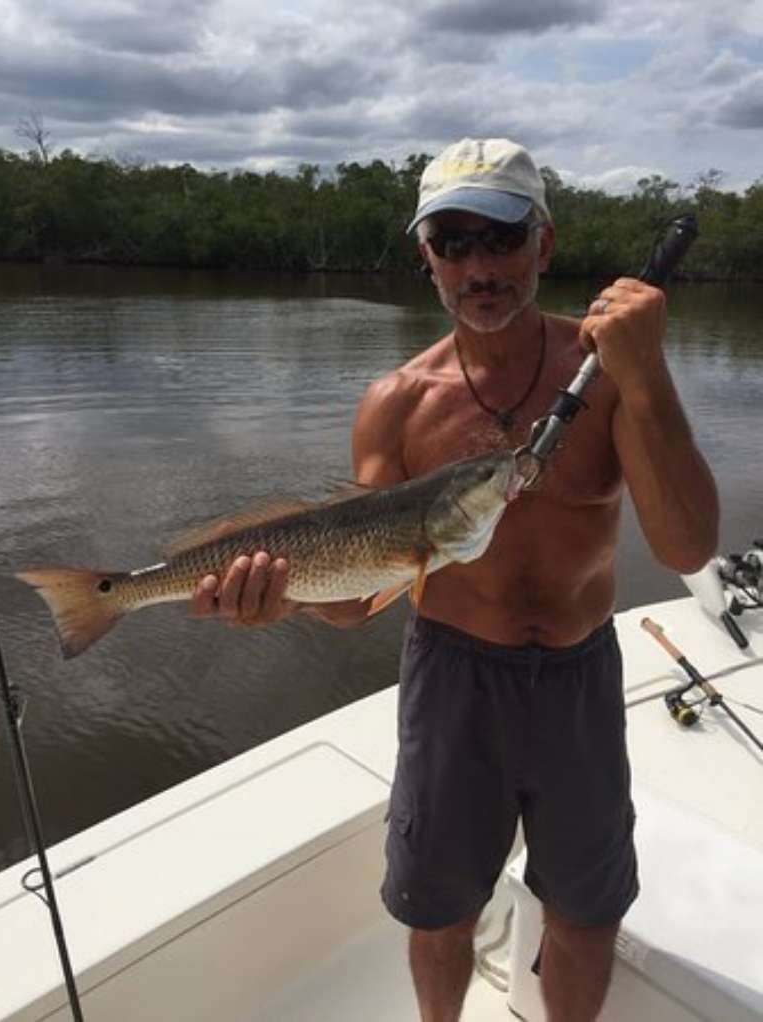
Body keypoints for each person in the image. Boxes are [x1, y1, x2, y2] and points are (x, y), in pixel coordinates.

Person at [191, 138, 719, 1022]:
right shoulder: (396, 402)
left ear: (543, 245)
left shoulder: (615, 371)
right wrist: (279, 599)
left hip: (579, 679)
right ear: (426, 260)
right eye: (454, 243)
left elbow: (688, 546)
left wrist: (649, 371)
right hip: (452, 677)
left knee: (586, 913)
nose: (479, 266)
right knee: (439, 913)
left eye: (501, 238)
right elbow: (358, 592)